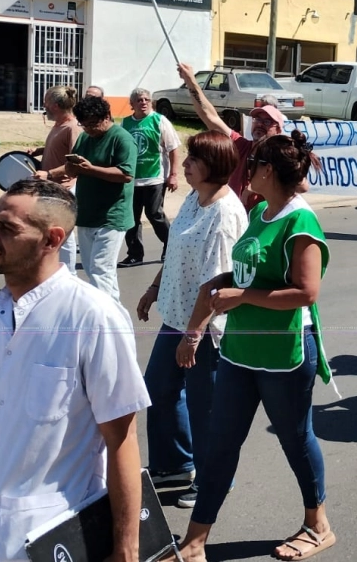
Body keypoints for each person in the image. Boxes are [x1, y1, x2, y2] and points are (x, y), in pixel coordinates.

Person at [0, 179, 150, 562]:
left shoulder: (92, 317)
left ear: (51, 240)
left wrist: (126, 548)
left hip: (57, 537)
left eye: (8, 228)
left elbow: (122, 439)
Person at [176, 131, 336, 562]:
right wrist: (219, 293)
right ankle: (194, 542)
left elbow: (306, 292)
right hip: (239, 349)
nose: (245, 170)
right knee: (220, 442)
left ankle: (317, 524)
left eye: (253, 164)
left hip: (283, 353)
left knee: (296, 439)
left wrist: (242, 297)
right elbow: (244, 273)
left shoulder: (300, 221)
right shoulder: (261, 211)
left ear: (267, 170)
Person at [136, 131, 248, 509]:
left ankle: (214, 479)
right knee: (158, 390)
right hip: (177, 316)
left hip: (205, 329)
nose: (184, 166)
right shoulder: (194, 200)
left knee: (207, 409)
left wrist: (193, 335)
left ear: (213, 166)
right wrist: (154, 288)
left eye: (192, 160)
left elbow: (216, 282)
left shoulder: (225, 212)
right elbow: (176, 249)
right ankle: (175, 464)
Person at [177, 62, 285, 209]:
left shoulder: (283, 158)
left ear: (278, 130)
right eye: (257, 119)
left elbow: (299, 187)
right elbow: (210, 116)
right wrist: (191, 81)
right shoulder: (240, 146)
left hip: (263, 225)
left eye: (267, 121)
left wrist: (257, 187)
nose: (260, 124)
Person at [67, 95, 137, 301]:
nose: (88, 129)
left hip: (112, 216)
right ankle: (110, 314)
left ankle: (106, 320)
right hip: (87, 214)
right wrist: (53, 173)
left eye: (92, 124)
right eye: (84, 124)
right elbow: (74, 166)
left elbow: (126, 174)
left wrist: (91, 169)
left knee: (101, 271)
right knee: (91, 270)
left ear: (107, 116)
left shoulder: (121, 138)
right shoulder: (84, 138)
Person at [120, 88, 180, 267]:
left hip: (154, 178)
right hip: (132, 180)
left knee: (154, 214)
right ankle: (135, 254)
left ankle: (171, 246)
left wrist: (174, 175)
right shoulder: (125, 124)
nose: (143, 102)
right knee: (131, 218)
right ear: (132, 104)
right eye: (139, 100)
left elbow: (173, 149)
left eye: (147, 99)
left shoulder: (159, 120)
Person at [32, 85, 83, 271]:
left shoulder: (72, 128)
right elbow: (58, 148)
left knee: (64, 236)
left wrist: (49, 174)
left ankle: (69, 274)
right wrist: (39, 151)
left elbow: (75, 162)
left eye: (45, 102)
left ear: (54, 105)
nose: (43, 106)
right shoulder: (58, 125)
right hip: (52, 189)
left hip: (64, 189)